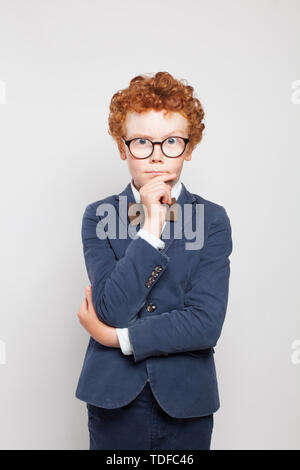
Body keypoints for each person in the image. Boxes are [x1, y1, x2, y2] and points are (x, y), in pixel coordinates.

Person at [75, 71, 233, 450]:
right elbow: (112, 307)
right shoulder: (98, 216)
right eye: (143, 142)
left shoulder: (212, 219)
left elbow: (205, 324)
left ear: (189, 147)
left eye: (172, 142)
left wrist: (115, 338)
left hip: (186, 401)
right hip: (114, 400)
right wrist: (151, 226)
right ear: (122, 147)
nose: (158, 155)